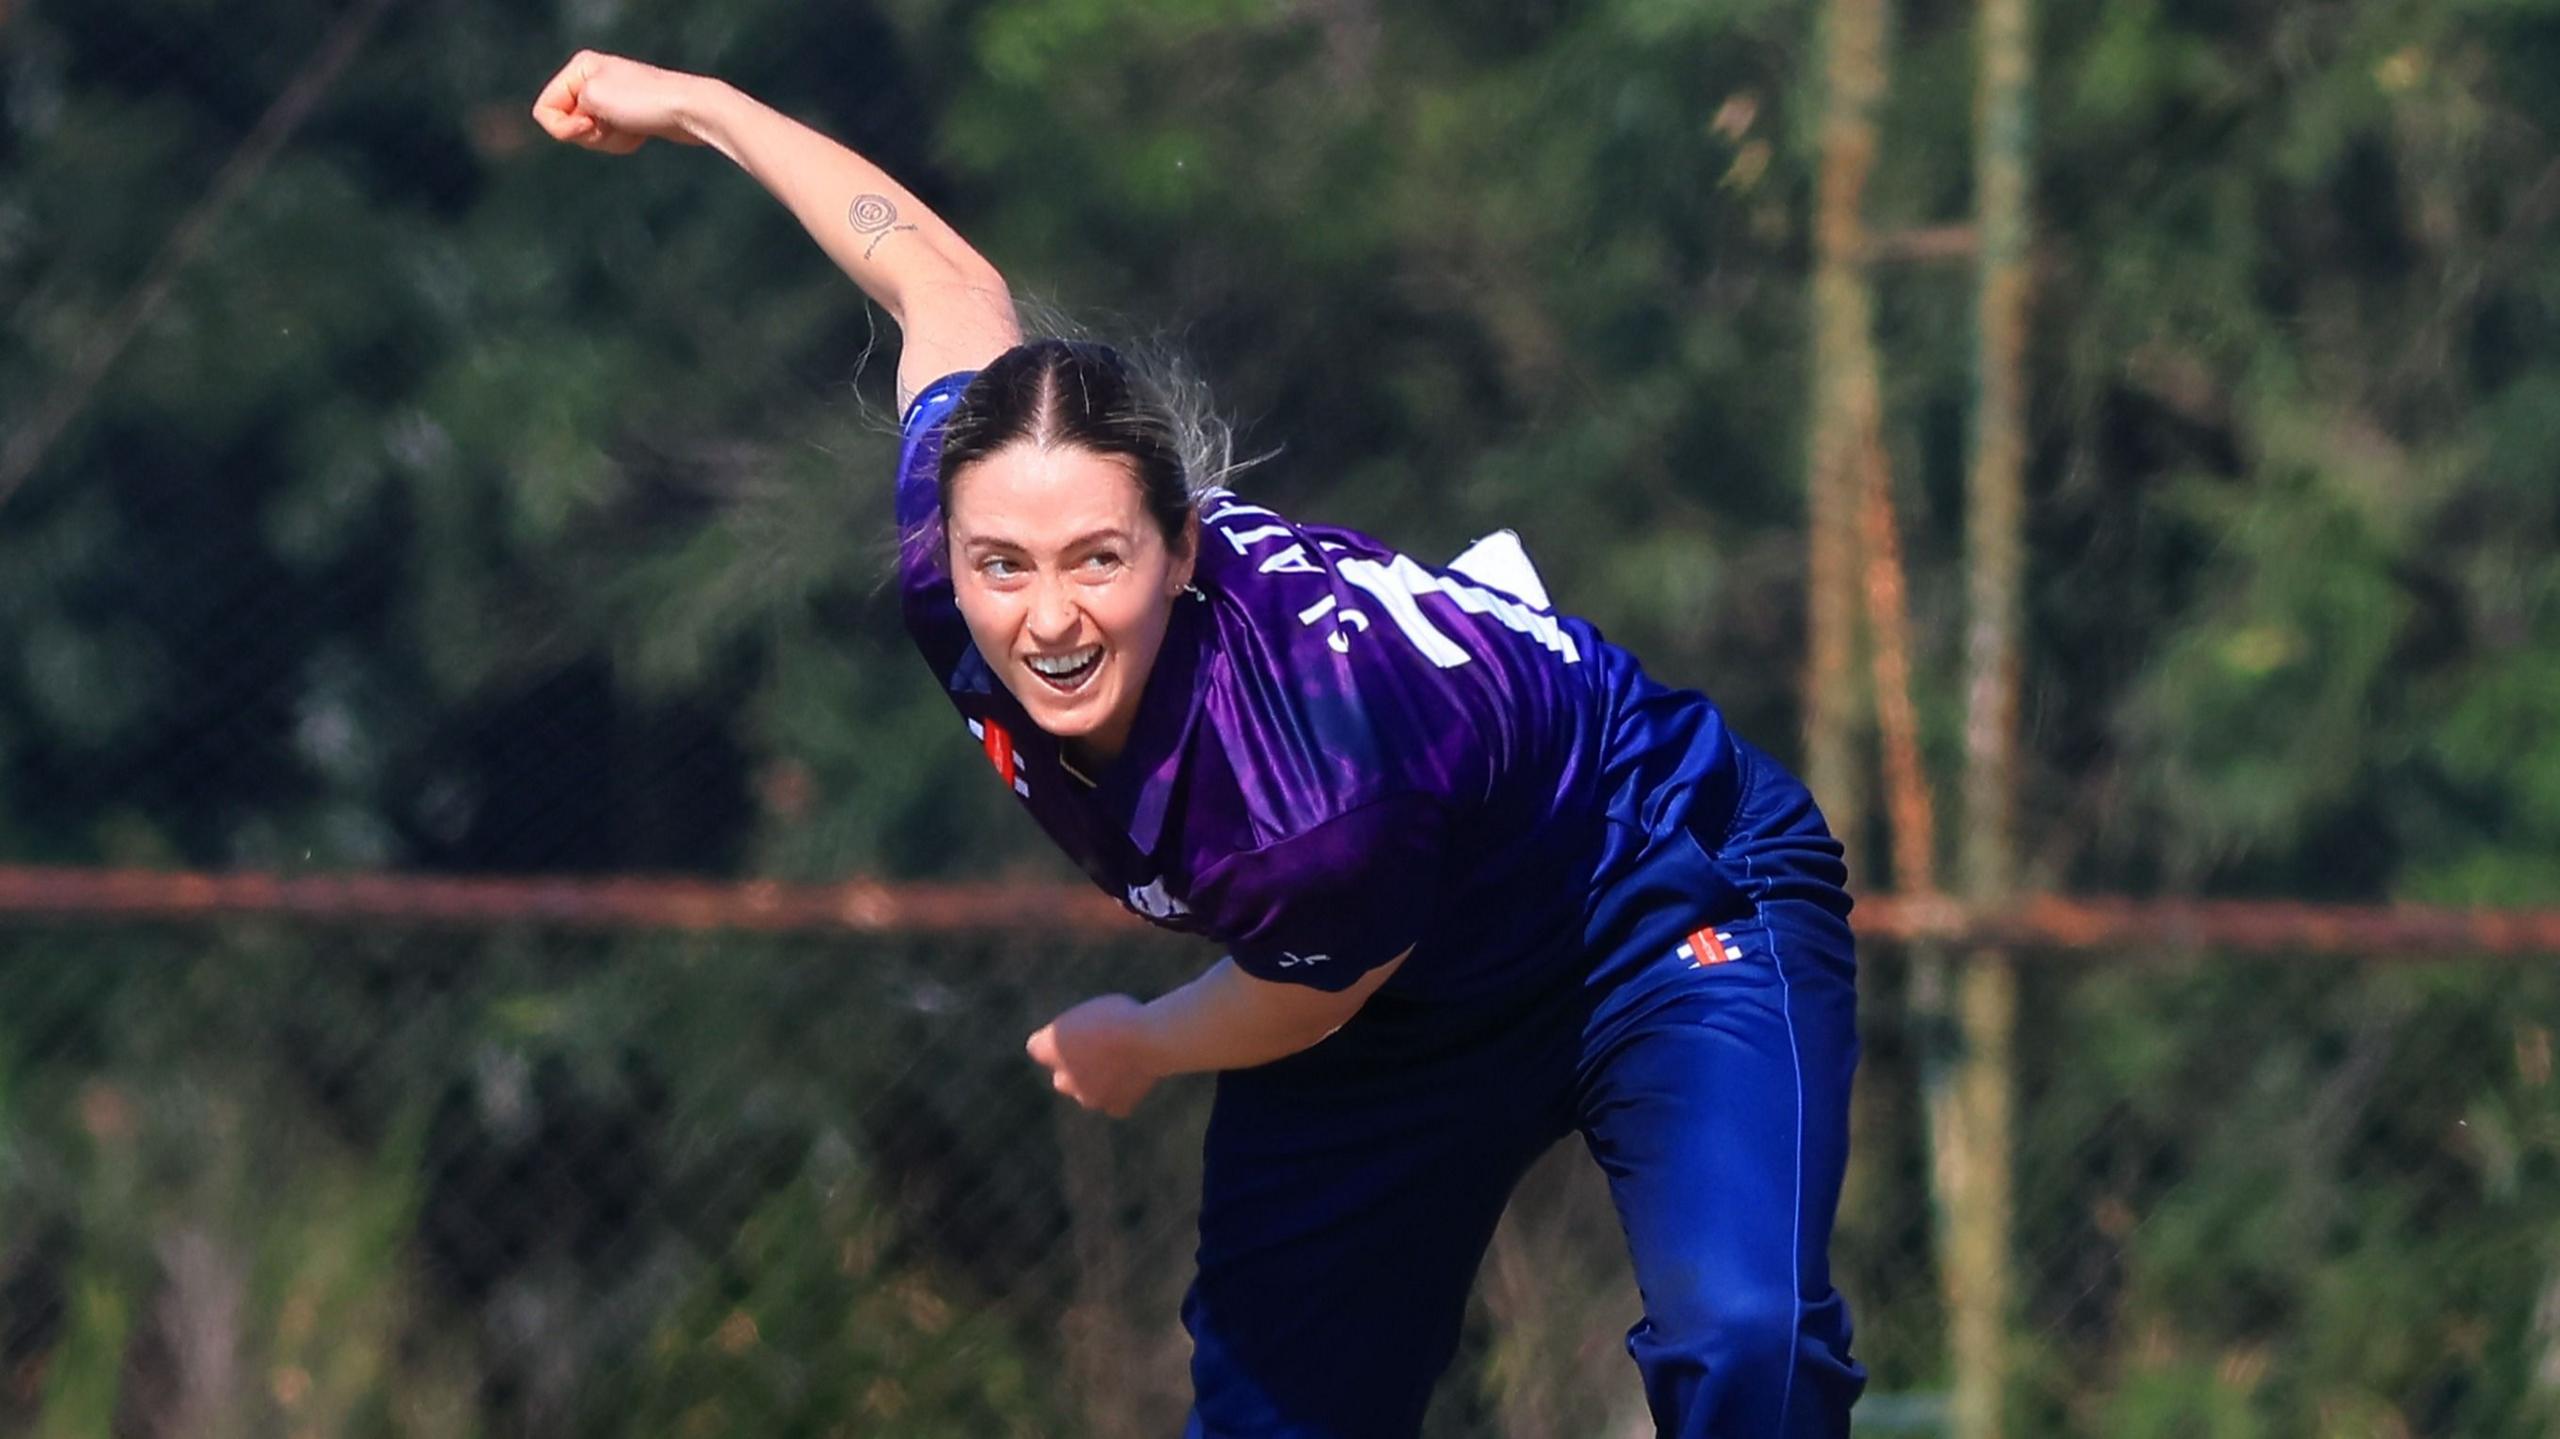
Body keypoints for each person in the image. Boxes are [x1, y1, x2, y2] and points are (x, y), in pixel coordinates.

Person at [534, 51, 1864, 1439]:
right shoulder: (952, 555)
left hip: (1646, 890)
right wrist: (700, 105)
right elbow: (939, 284)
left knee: (1746, 1344)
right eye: (1005, 564)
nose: (1046, 616)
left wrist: (1145, 1039)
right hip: (1389, 979)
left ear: (1181, 551)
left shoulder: (1305, 786)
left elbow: (1308, 997)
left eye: (1097, 560)